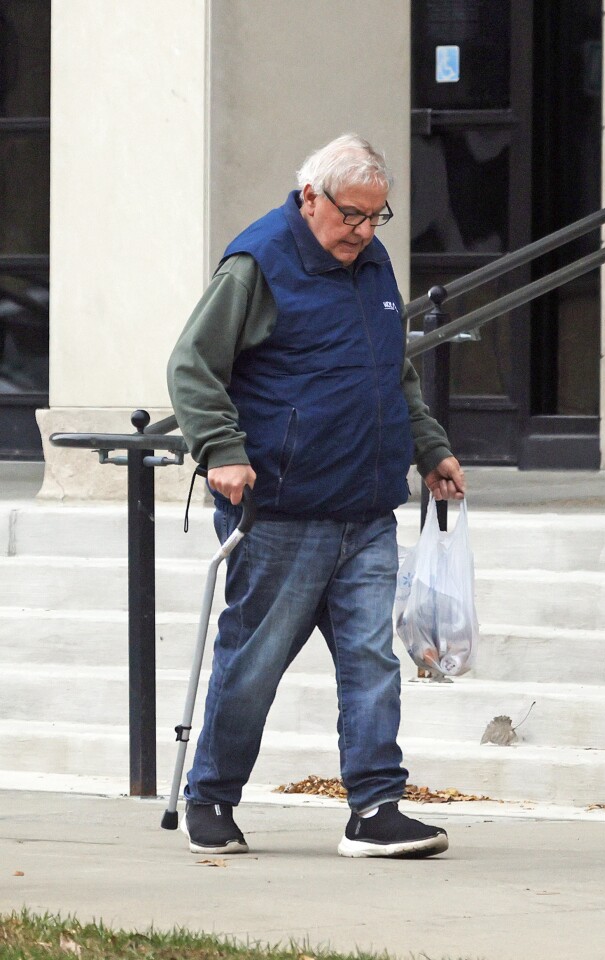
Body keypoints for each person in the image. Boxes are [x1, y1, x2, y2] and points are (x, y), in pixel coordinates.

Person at [167, 134, 466, 859]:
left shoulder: (373, 263)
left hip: (365, 506)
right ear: (310, 198)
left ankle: (375, 808)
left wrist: (429, 447)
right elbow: (192, 365)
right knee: (254, 662)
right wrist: (221, 451)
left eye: (375, 216)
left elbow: (393, 372)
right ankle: (211, 796)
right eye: (350, 215)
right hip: (281, 510)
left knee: (372, 662)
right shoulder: (258, 262)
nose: (362, 231)